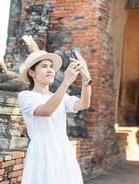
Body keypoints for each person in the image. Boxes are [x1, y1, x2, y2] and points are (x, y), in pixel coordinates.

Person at [18, 50, 92, 184]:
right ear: (32, 73)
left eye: (51, 66)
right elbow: (46, 110)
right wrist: (66, 82)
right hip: (42, 151)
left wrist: (86, 79)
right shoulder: (25, 96)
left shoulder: (60, 96)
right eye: (44, 66)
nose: (50, 69)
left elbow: (83, 104)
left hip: (63, 149)